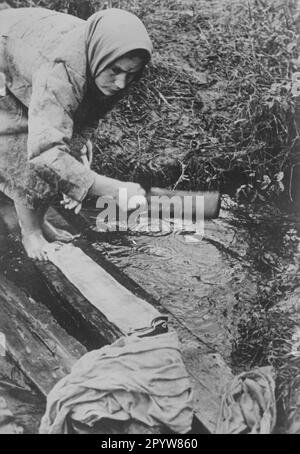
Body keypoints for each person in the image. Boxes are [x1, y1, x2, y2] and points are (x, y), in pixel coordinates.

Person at [0, 6, 152, 260]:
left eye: (131, 73)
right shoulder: (60, 73)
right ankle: (31, 231)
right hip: (4, 56)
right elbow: (43, 153)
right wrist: (109, 188)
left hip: (36, 56)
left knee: (64, 147)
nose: (122, 82)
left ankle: (38, 220)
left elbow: (83, 113)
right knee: (22, 141)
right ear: (102, 59)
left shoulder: (108, 57)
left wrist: (80, 140)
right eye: (115, 71)